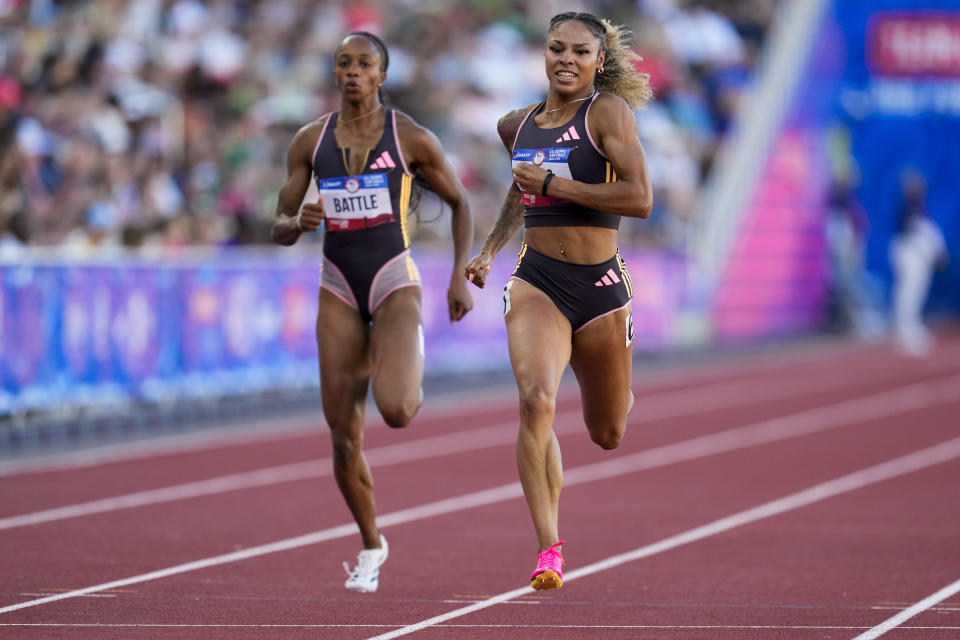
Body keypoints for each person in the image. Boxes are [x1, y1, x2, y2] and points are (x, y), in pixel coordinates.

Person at [271, 31, 474, 593]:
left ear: (382, 75)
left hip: (392, 280)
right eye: (344, 63)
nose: (353, 72)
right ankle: (371, 544)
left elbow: (460, 202)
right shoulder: (310, 142)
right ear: (334, 73)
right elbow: (280, 224)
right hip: (337, 284)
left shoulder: (409, 136)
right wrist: (297, 226)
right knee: (342, 437)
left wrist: (460, 274)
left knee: (400, 410)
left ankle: (399, 357)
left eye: (364, 63)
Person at [464, 12, 653, 590]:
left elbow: (640, 198)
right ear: (542, 55)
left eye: (579, 51)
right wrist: (491, 248)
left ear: (599, 62)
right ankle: (549, 547)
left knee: (608, 431)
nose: (566, 59)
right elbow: (520, 189)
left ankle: (612, 383)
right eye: (556, 49)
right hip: (538, 280)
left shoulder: (607, 114)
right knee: (535, 400)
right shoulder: (515, 125)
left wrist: (558, 186)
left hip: (599, 290)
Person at [889, 168, 948, 357]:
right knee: (908, 291)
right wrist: (927, 251)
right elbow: (912, 233)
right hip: (909, 254)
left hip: (918, 256)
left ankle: (910, 326)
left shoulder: (921, 207)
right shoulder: (906, 207)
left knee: (916, 291)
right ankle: (905, 328)